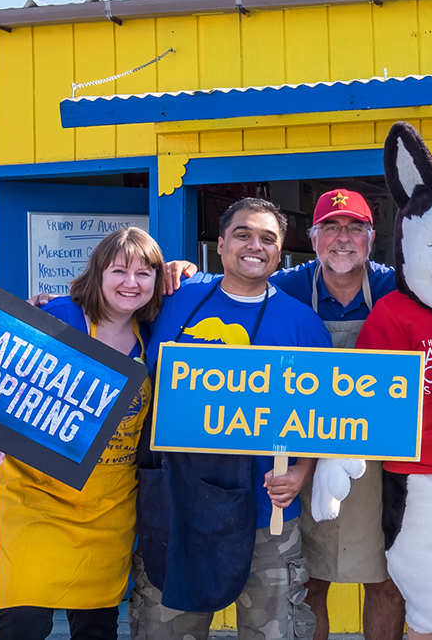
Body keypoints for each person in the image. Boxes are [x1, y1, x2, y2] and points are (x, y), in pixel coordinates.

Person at [164, 187, 432, 640]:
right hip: (305, 459)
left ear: (372, 237)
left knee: (386, 580)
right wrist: (182, 272)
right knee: (309, 581)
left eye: (354, 228)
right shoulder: (286, 288)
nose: (342, 238)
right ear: (312, 239)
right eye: (330, 227)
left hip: (383, 463)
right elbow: (234, 288)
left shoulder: (402, 286)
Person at [132, 198, 331, 640]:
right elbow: (108, 317)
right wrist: (51, 308)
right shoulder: (173, 298)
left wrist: (301, 471)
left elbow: (327, 416)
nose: (254, 246)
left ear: (280, 254)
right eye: (242, 234)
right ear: (220, 244)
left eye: (267, 239)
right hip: (175, 505)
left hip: (268, 508)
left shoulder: (303, 325)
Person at [0, 227, 166, 640]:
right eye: (119, 270)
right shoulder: (58, 316)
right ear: (97, 272)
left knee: (96, 627)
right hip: (35, 497)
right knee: (24, 622)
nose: (132, 283)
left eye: (144, 273)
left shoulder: (155, 333)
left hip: (109, 506)